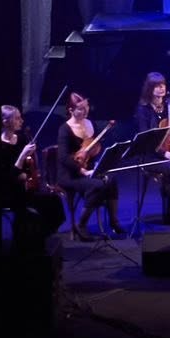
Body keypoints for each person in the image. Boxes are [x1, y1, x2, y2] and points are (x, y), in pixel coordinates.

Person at [0, 104, 65, 253]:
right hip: (9, 191)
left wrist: (31, 172)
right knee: (35, 207)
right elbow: (6, 176)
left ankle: (41, 238)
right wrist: (22, 156)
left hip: (26, 186)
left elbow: (30, 165)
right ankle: (29, 243)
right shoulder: (0, 146)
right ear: (5, 122)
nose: (21, 121)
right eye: (17, 118)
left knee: (54, 201)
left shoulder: (22, 138)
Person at [57, 92, 121, 239]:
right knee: (97, 186)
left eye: (86, 106)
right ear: (71, 110)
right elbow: (63, 157)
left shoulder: (90, 124)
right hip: (70, 174)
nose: (85, 110)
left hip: (89, 169)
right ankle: (81, 225)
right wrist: (82, 170)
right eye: (80, 108)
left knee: (112, 180)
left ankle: (114, 221)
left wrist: (98, 163)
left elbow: (95, 148)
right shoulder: (65, 129)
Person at [133, 72, 170, 216]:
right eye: (157, 86)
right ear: (150, 89)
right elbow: (146, 139)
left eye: (163, 85)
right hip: (150, 157)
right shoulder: (143, 110)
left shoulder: (169, 106)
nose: (161, 88)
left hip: (168, 152)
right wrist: (167, 154)